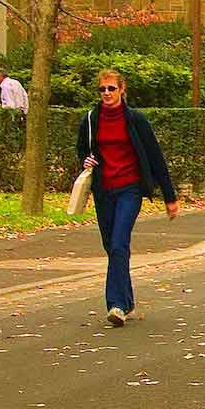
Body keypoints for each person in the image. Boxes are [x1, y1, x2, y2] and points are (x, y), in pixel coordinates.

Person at [77, 69, 178, 327]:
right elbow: (82, 149)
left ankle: (116, 305)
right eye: (102, 90)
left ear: (122, 90)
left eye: (112, 89)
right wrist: (85, 160)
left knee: (120, 243)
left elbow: (156, 158)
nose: (107, 94)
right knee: (112, 246)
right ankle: (128, 300)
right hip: (104, 189)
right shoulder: (90, 120)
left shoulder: (135, 120)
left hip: (130, 188)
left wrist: (170, 196)